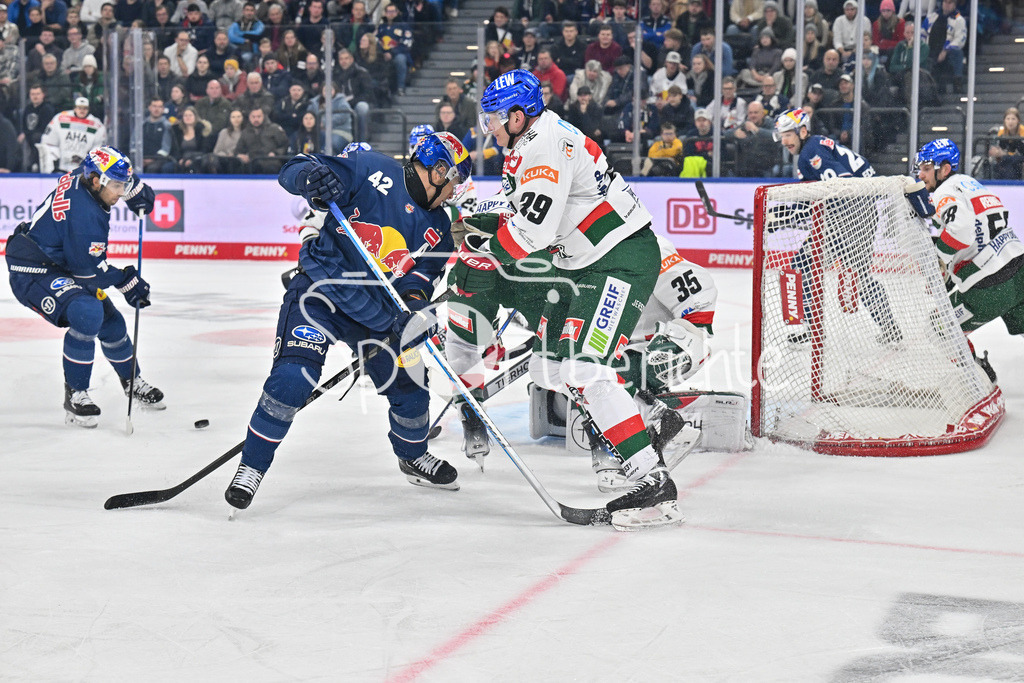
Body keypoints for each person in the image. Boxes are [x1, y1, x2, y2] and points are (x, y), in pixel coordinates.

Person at [457, 69, 681, 526]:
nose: (490, 128)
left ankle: (650, 478)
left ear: (519, 115)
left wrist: (486, 246)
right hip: (583, 265)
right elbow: (511, 204)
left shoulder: (543, 148)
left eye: (495, 118)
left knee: (585, 368)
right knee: (548, 366)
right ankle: (648, 417)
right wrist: (472, 218)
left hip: (619, 261)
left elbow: (531, 233)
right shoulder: (529, 142)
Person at [223, 132, 470, 509]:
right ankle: (252, 467)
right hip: (321, 293)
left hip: (378, 316)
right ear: (438, 171)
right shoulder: (371, 168)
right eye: (454, 180)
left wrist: (414, 311)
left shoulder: (439, 233)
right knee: (292, 379)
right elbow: (293, 167)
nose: (455, 191)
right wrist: (310, 178)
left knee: (412, 391)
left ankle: (413, 454)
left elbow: (419, 283)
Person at [4, 147, 161, 427]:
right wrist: (127, 280)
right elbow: (88, 272)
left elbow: (108, 161)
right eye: (116, 186)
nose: (120, 192)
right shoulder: (86, 216)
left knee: (111, 322)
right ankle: (75, 394)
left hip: (59, 258)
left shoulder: (86, 175)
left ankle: (131, 382)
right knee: (88, 313)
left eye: (123, 185)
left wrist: (135, 186)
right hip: (33, 269)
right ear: (97, 181)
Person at [773, 108, 902, 347]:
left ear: (802, 131)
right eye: (781, 136)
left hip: (851, 215)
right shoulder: (815, 146)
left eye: (788, 135)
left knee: (800, 267)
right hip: (864, 211)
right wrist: (786, 215)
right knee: (860, 277)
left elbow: (839, 188)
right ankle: (891, 330)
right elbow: (817, 194)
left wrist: (787, 214)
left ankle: (812, 331)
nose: (784, 141)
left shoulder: (810, 152)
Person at [913, 138, 1024, 366]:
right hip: (1020, 270)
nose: (920, 176)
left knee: (938, 327)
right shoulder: (969, 183)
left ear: (944, 169)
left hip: (991, 286)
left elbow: (961, 231)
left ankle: (978, 380)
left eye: (926, 169)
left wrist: (940, 259)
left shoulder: (943, 191)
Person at [38, 96, 106, 173]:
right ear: (75, 108)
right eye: (79, 108)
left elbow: (99, 149)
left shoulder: (97, 125)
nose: (82, 111)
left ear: (88, 109)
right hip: (61, 167)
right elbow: (48, 141)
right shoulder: (60, 118)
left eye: (85, 108)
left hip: (83, 170)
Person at [988, 107, 1024, 180]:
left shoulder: (1022, 131)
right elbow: (996, 150)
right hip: (1006, 161)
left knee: (1011, 162)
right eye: (1008, 119)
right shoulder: (1001, 132)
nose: (1010, 122)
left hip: (1019, 161)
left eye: (1013, 119)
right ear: (1004, 120)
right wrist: (996, 152)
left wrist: (1005, 154)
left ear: (1018, 120)